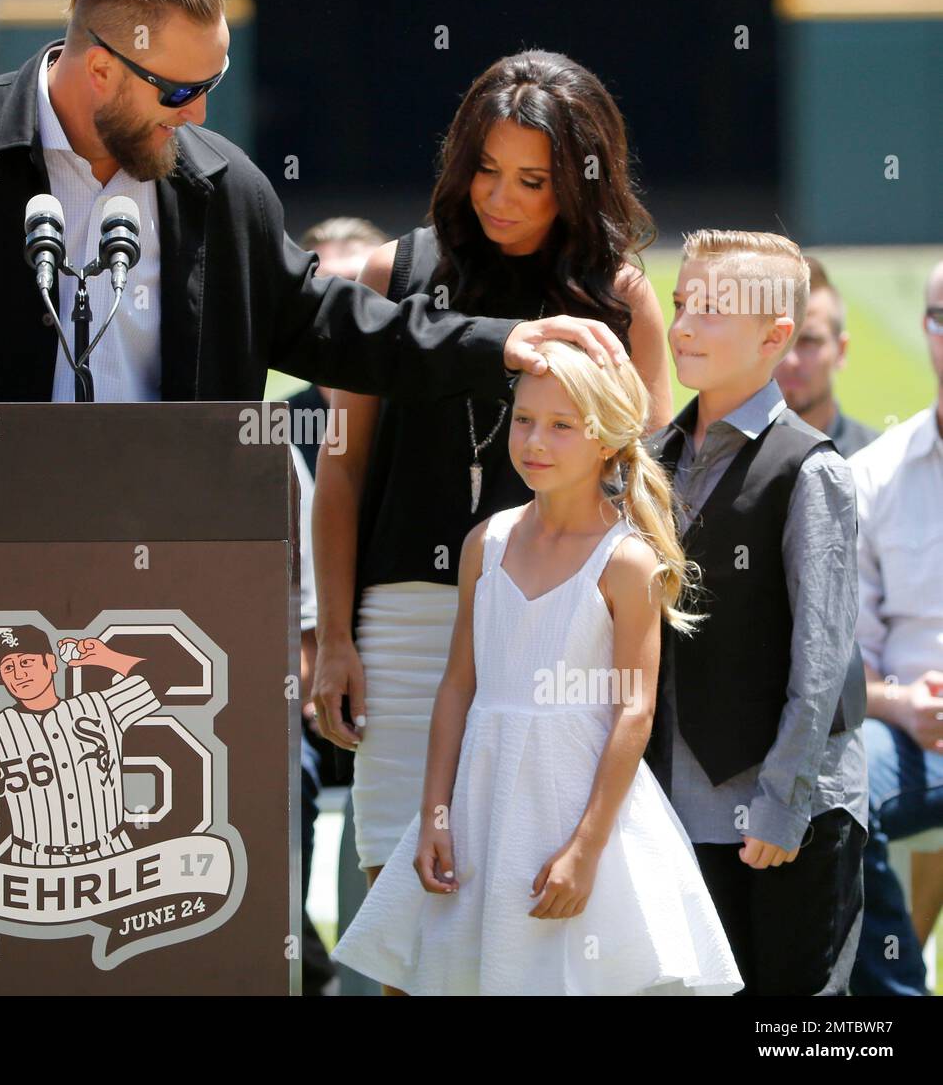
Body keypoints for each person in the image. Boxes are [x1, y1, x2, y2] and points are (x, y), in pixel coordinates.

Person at [0, 0, 629, 437]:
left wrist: (496, 345)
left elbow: (326, 324)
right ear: (99, 70)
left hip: (175, 556)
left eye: (214, 81)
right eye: (178, 91)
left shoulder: (221, 187)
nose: (201, 113)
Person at [311, 51, 672, 906]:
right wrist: (331, 637)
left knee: (522, 906)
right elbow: (340, 472)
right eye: (484, 169)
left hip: (556, 634)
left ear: (578, 185)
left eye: (532, 180)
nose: (500, 198)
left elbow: (650, 492)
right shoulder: (386, 277)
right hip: (400, 619)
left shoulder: (621, 299)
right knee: (406, 899)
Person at [330, 340, 741, 994]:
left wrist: (584, 850)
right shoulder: (484, 544)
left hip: (583, 811)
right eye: (523, 420)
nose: (534, 441)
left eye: (560, 426)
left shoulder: (626, 561)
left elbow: (635, 710)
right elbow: (458, 686)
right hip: (482, 805)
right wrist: (436, 813)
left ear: (607, 439)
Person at [647, 231, 868, 996]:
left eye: (712, 309)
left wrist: (780, 805)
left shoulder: (811, 469)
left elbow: (823, 660)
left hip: (788, 814)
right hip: (675, 810)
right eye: (680, 304)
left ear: (777, 336)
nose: (682, 326)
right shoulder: (653, 460)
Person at [285, 215, 387, 996]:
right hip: (298, 684)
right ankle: (308, 974)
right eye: (331, 291)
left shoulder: (419, 415)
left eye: (366, 291)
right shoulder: (268, 428)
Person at [849, 259, 943, 996]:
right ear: (926, 329)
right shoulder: (876, 474)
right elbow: (852, 663)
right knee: (837, 779)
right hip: (915, 735)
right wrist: (902, 704)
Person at [0, 627, 156, 866]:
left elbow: (165, 675)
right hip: (36, 866)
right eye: (8, 667)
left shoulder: (99, 707)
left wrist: (104, 657)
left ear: (50, 663)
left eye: (26, 662)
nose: (18, 674)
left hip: (112, 854)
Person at [776, 257, 878, 458]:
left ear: (841, 350)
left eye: (809, 341)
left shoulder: (881, 462)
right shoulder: (724, 457)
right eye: (777, 339)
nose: (791, 361)